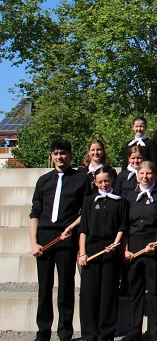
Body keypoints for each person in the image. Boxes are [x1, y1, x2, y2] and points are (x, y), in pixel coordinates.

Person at [30, 139, 91, 341]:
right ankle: (43, 333)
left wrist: (71, 228)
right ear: (51, 156)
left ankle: (65, 333)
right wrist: (33, 242)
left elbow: (86, 211)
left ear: (70, 155)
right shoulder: (43, 181)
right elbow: (35, 213)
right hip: (45, 239)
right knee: (44, 289)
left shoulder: (81, 179)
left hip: (66, 237)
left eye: (63, 153)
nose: (59, 157)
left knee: (66, 288)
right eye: (56, 153)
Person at [77, 167, 127, 341]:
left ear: (112, 180)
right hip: (92, 250)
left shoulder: (121, 202)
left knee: (108, 293)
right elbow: (83, 229)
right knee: (89, 294)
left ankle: (106, 334)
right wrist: (82, 253)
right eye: (100, 182)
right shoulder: (89, 201)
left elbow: (122, 226)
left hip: (111, 250)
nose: (104, 184)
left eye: (106, 180)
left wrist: (116, 243)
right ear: (95, 183)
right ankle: (89, 334)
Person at [124, 161, 157, 341]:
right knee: (135, 290)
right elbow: (125, 225)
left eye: (148, 173)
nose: (145, 177)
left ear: (154, 175)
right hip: (134, 245)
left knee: (155, 291)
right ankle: (134, 331)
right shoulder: (130, 197)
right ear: (137, 175)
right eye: (142, 173)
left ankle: (155, 332)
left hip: (152, 244)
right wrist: (125, 248)